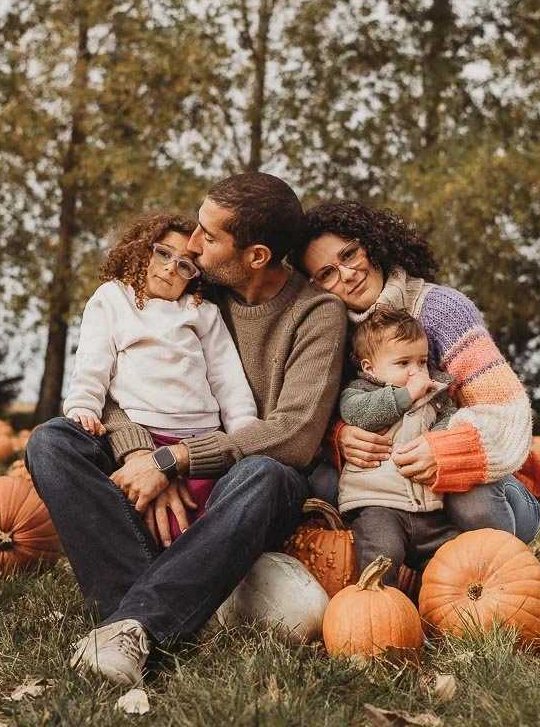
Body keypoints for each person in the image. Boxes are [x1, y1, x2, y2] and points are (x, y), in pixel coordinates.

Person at [25, 173, 346, 688]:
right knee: (53, 441)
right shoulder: (194, 290)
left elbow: (295, 433)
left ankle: (137, 623)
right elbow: (113, 380)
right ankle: (169, 604)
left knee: (268, 474)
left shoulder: (316, 314)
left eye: (208, 237)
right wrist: (139, 454)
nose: (192, 246)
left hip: (244, 480)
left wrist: (178, 459)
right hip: (151, 448)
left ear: (256, 256)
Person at [292, 202, 540, 542]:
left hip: (494, 482)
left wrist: (446, 450)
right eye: (327, 273)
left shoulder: (441, 310)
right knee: (322, 485)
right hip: (396, 478)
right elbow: (320, 412)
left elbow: (506, 413)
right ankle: (407, 568)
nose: (347, 274)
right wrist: (338, 437)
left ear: (370, 245)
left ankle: (498, 572)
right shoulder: (332, 331)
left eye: (349, 254)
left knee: (468, 499)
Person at [60, 212, 259, 539]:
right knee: (148, 519)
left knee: (198, 524)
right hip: (145, 433)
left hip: (201, 439)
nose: (170, 267)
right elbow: (94, 359)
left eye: (184, 265)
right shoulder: (114, 298)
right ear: (141, 250)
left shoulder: (201, 311)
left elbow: (227, 378)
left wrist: (242, 429)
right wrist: (84, 405)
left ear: (194, 277)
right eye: (163, 253)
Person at [338, 308, 461, 586]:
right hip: (379, 504)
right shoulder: (360, 392)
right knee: (383, 553)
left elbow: (450, 423)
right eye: (403, 363)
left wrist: (437, 441)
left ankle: (435, 605)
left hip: (429, 510)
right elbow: (360, 415)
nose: (416, 371)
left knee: (452, 555)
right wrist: (406, 395)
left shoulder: (436, 397)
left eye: (421, 362)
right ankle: (380, 606)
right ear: (370, 367)